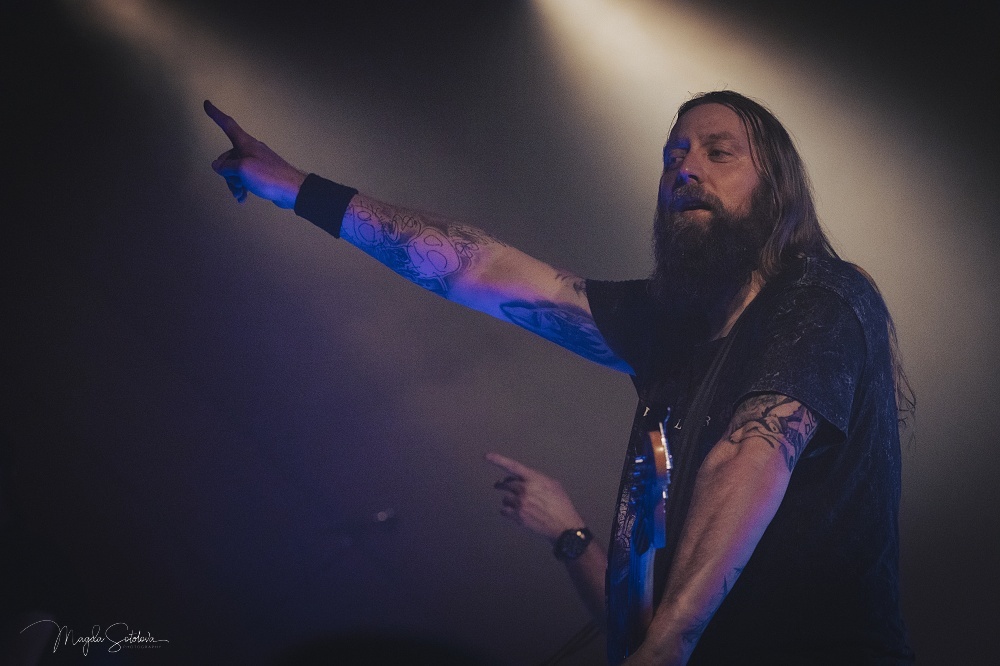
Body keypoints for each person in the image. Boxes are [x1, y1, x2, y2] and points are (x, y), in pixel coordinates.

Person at [205, 90, 914, 664]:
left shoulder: (823, 297)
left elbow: (751, 452)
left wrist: (666, 645)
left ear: (778, 187)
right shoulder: (672, 330)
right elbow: (483, 267)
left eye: (717, 152)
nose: (684, 169)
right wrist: (296, 188)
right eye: (672, 156)